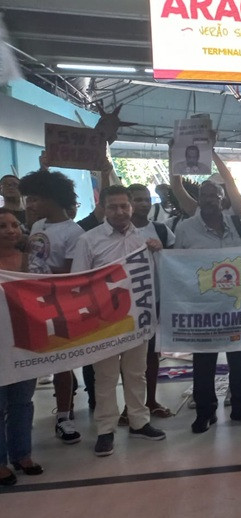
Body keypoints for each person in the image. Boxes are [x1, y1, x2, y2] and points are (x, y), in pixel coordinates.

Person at [71, 186, 167, 456]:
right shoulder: (88, 240)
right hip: (104, 321)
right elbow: (77, 281)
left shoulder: (144, 238)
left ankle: (139, 422)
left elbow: (156, 275)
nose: (120, 212)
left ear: (131, 207)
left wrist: (158, 251)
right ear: (103, 207)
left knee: (136, 373)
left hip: (138, 317)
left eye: (124, 206)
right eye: (113, 207)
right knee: (106, 376)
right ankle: (105, 430)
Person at [174, 180, 241, 433]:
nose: (209, 199)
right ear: (199, 198)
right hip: (203, 309)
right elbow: (177, 265)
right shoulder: (186, 228)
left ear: (222, 199)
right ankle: (205, 411)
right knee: (203, 363)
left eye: (215, 195)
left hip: (237, 306)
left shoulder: (237, 224)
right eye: (205, 195)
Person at [17, 168, 84, 445]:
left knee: (62, 363)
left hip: (58, 305)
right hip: (30, 302)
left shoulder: (75, 232)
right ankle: (21, 412)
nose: (29, 204)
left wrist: (39, 276)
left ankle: (64, 415)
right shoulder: (37, 226)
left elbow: (70, 274)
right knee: (30, 358)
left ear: (52, 198)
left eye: (34, 198)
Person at [0, 208, 43, 486]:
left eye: (15, 224)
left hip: (25, 341)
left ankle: (22, 454)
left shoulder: (32, 262)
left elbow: (47, 294)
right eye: (3, 225)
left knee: (22, 402)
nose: (11, 230)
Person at [127, 184, 174, 418]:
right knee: (128, 356)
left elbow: (177, 260)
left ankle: (151, 400)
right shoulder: (121, 232)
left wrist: (162, 249)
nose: (144, 204)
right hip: (125, 303)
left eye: (146, 199)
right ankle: (130, 405)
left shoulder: (160, 230)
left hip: (153, 299)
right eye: (138, 200)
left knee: (151, 353)